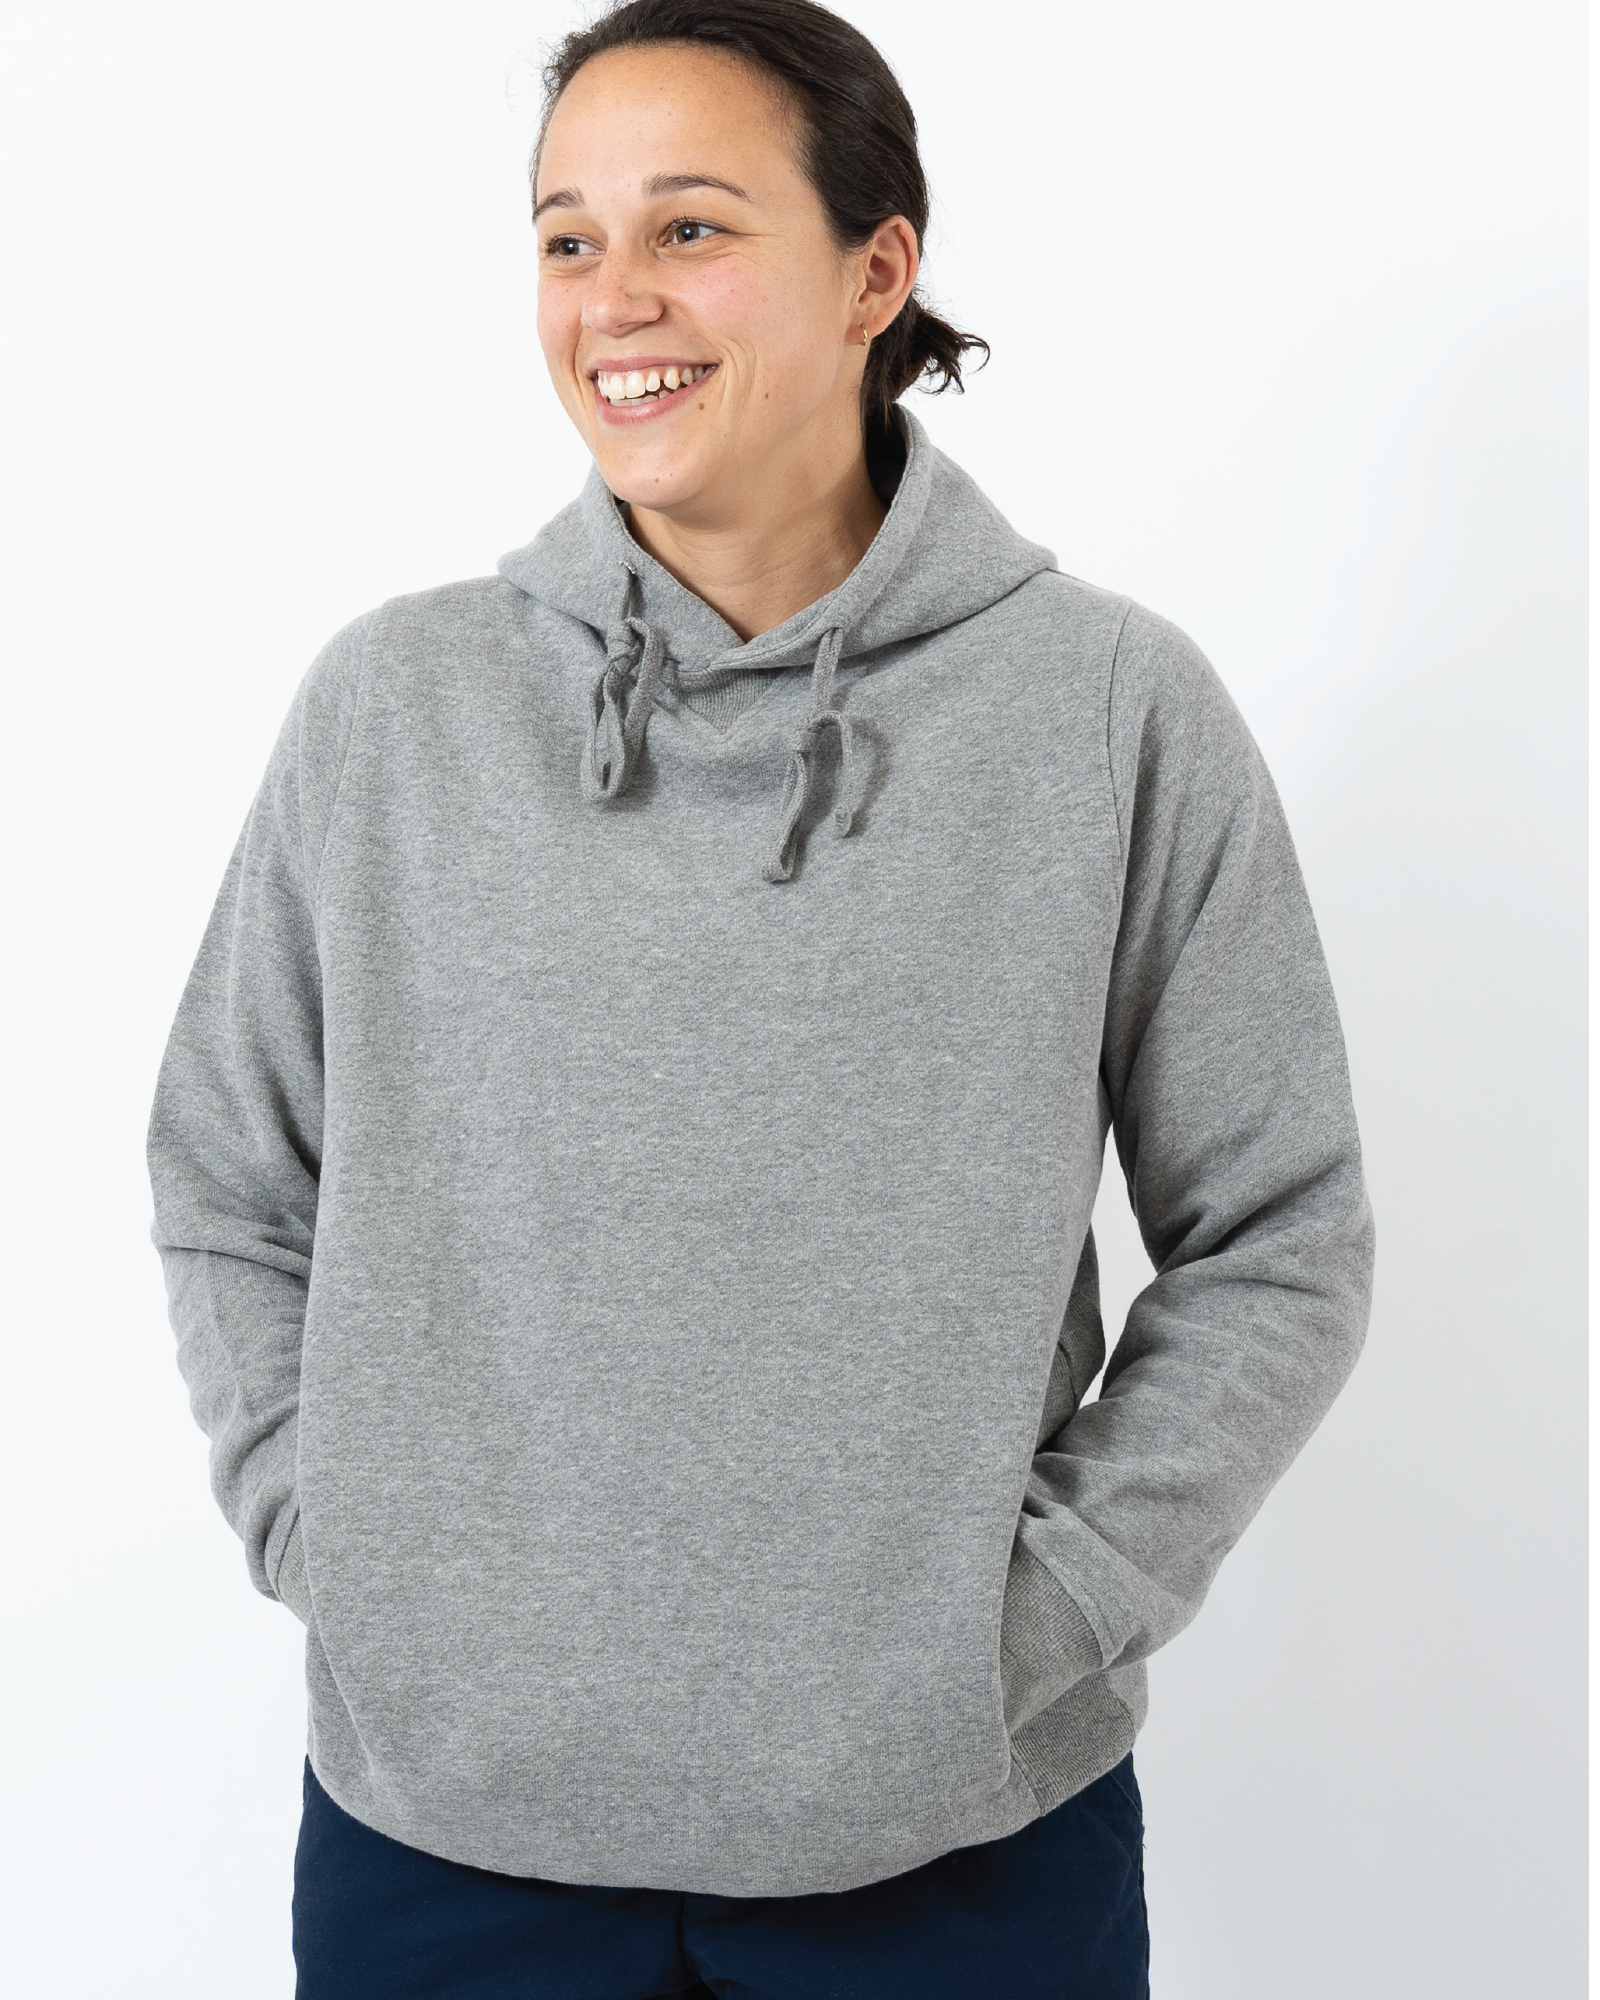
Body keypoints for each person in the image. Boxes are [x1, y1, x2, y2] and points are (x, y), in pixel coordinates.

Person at [146, 1, 1375, 1993]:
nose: (613, 298)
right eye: (567, 237)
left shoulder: (1105, 710)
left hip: (955, 1847)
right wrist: (344, 1551)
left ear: (875, 273)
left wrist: (1032, 1625)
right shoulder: (395, 708)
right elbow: (226, 1168)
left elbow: (1279, 1235)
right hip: (444, 1836)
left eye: (690, 227)